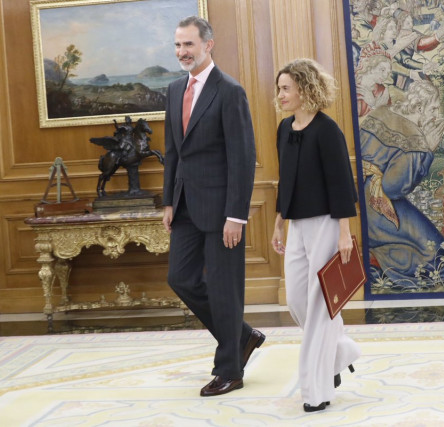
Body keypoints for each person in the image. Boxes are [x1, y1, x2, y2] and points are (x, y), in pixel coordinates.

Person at [162, 16, 264, 398]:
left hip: (223, 211)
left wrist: (236, 215)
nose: (182, 52)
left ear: (209, 45)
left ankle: (229, 370)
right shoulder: (173, 90)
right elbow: (173, 151)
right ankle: (241, 335)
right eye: (177, 45)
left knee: (224, 289)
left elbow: (243, 156)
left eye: (188, 45)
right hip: (186, 205)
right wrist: (169, 200)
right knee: (180, 278)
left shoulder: (229, 91)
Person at [271, 59, 361, 412]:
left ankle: (315, 390)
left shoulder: (327, 130)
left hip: (327, 222)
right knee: (297, 300)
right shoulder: (283, 129)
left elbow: (341, 184)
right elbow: (286, 179)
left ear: (305, 90)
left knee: (320, 307)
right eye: (279, 88)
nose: (280, 95)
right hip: (297, 225)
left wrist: (344, 233)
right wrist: (279, 221)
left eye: (285, 88)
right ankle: (341, 352)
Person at [359, 80, 444, 289]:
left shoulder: (382, 112)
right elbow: (393, 188)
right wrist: (428, 150)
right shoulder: (416, 141)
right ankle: (390, 272)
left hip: (357, 194)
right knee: (438, 251)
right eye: (434, 108)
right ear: (419, 108)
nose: (436, 114)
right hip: (377, 205)